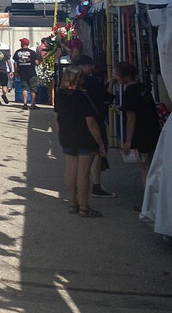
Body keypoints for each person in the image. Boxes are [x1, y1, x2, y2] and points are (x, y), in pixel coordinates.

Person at [54, 66, 106, 217]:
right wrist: (100, 143)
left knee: (70, 169)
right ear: (79, 79)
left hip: (67, 136)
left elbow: (56, 117)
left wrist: (61, 133)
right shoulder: (83, 97)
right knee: (83, 172)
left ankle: (73, 203)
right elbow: (91, 123)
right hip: (84, 137)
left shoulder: (60, 95)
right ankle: (84, 206)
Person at [114, 61, 160, 199]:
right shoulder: (142, 88)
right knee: (150, 163)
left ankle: (147, 200)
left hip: (140, 133)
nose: (115, 77)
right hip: (152, 128)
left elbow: (131, 118)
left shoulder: (128, 93)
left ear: (126, 76)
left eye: (117, 75)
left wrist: (128, 141)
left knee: (144, 167)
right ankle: (152, 197)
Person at [76, 56, 115, 199]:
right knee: (97, 152)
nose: (91, 70)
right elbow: (106, 98)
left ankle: (79, 187)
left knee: (77, 157)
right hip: (94, 120)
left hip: (75, 123)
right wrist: (110, 85)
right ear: (84, 66)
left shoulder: (68, 83)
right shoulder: (92, 82)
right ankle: (95, 185)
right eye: (90, 67)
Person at [13, 38, 40, 109]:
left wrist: (16, 72)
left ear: (22, 43)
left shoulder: (17, 52)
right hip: (32, 73)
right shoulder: (32, 52)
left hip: (22, 73)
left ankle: (25, 104)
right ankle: (32, 104)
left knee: (24, 88)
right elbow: (37, 63)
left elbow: (15, 63)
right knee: (33, 89)